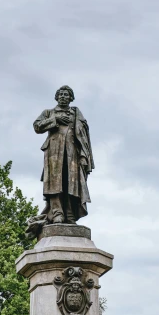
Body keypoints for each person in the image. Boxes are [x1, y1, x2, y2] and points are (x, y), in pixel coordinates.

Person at [32, 85, 95, 226]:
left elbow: (84, 136)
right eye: (60, 94)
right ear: (56, 97)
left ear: (71, 98)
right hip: (54, 153)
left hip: (72, 154)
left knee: (71, 184)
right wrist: (55, 120)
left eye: (66, 95)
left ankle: (70, 213)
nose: (63, 97)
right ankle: (57, 213)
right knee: (55, 184)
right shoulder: (49, 113)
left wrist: (84, 156)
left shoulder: (76, 114)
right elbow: (37, 126)